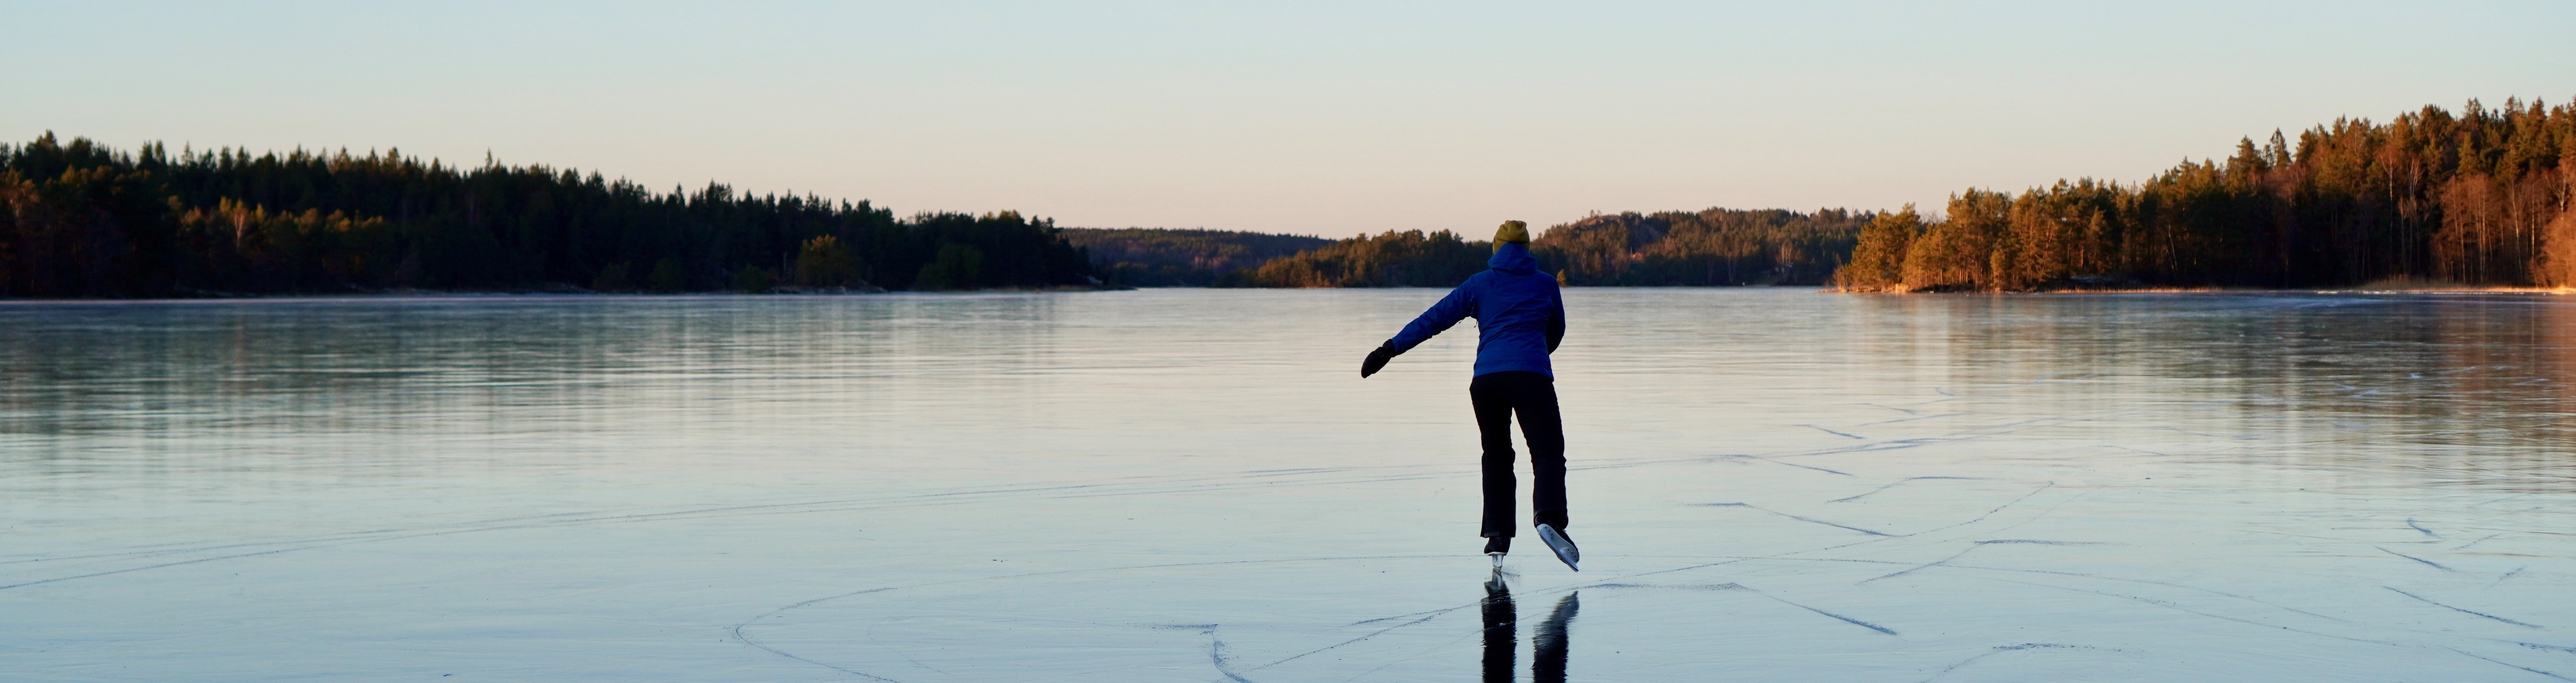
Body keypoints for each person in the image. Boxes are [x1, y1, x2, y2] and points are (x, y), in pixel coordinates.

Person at [1360, 220, 1576, 569]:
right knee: (1548, 453)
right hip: (1532, 378)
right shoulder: (1546, 284)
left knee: (1496, 455)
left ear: (1496, 248)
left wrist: (1388, 349)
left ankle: (1497, 534)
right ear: (1528, 248)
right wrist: (1533, 354)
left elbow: (1434, 319)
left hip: (1487, 381)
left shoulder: (1479, 284)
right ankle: (1549, 518)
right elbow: (1556, 331)